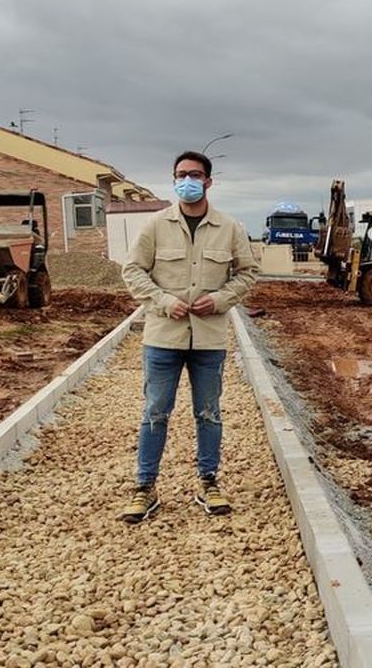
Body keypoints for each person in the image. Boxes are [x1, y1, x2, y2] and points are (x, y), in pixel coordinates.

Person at [119, 150, 261, 523]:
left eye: (195, 175)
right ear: (174, 180)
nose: (188, 181)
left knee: (209, 413)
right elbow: (133, 271)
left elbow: (247, 273)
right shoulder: (155, 226)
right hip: (163, 338)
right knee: (154, 412)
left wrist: (219, 300)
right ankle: (145, 487)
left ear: (208, 181)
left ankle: (209, 481)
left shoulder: (229, 228)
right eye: (181, 174)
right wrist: (164, 301)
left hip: (209, 340)